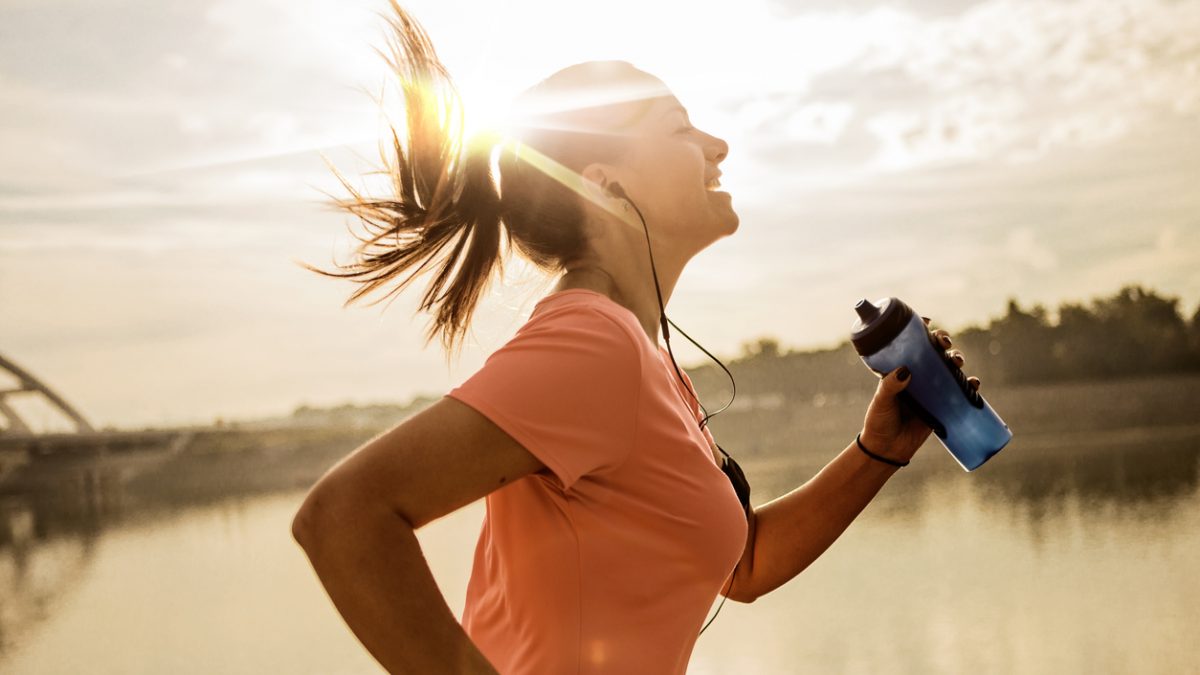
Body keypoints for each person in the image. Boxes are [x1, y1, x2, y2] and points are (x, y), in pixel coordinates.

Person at [290, 2, 981, 674]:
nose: (718, 145)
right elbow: (343, 515)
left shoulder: (643, 358)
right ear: (606, 182)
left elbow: (742, 565)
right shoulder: (593, 345)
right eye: (680, 129)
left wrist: (877, 452)